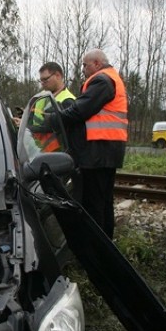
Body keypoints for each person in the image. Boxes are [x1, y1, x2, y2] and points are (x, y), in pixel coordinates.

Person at [53, 50, 127, 238]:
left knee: (94, 202)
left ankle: (98, 246)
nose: (83, 69)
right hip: (106, 149)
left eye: (85, 65)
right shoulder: (110, 78)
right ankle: (105, 245)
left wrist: (53, 119)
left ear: (96, 63)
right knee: (102, 201)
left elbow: (79, 110)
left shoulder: (102, 80)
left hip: (99, 150)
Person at [31, 62, 76, 152]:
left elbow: (61, 131)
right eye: (41, 80)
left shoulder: (68, 101)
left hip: (58, 155)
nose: (42, 83)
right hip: (38, 152)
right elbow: (35, 121)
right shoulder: (41, 98)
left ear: (58, 75)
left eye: (45, 79)